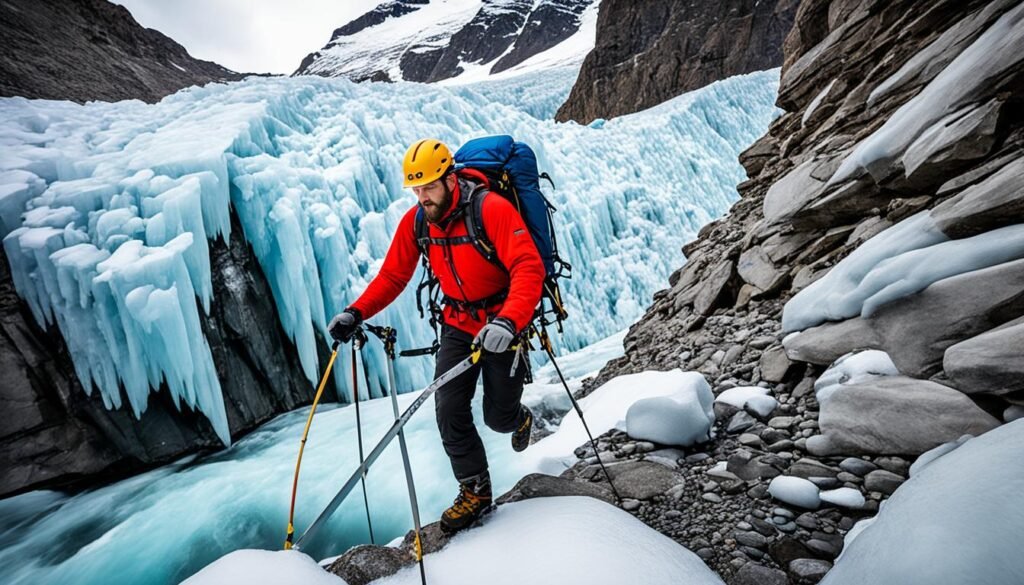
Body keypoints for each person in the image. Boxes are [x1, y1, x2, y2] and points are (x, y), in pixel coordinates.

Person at [328, 138, 545, 532]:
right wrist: (355, 311)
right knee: (449, 409)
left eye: (429, 187)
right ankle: (475, 491)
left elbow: (528, 268)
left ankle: (519, 416)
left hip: (501, 325)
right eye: (416, 189)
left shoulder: (490, 208)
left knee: (497, 418)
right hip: (459, 325)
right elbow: (394, 275)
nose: (422, 197)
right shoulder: (417, 222)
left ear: (450, 179)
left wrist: (510, 321)